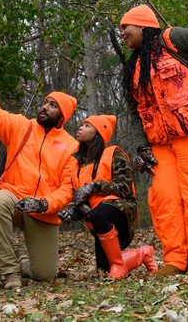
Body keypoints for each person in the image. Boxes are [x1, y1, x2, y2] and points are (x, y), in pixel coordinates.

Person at [119, 4, 188, 276]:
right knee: (164, 197)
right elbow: (136, 111)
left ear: (144, 25)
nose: (122, 33)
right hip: (162, 141)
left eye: (126, 27)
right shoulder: (134, 65)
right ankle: (176, 260)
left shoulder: (173, 38)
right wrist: (141, 146)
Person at [0, 75, 79, 289]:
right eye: (45, 102)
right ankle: (10, 272)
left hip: (42, 210)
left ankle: (22, 260)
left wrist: (42, 204)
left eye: (52, 106)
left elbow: (67, 189)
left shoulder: (71, 146)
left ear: (63, 115)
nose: (44, 107)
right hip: (14, 198)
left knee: (44, 273)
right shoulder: (22, 127)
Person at [57, 114, 157, 278]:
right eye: (82, 125)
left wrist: (94, 186)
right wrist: (71, 212)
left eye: (87, 126)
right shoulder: (77, 165)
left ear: (98, 133)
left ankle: (119, 266)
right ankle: (143, 253)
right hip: (99, 226)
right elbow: (80, 200)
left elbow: (125, 189)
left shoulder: (113, 154)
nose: (81, 128)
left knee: (99, 214)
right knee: (103, 270)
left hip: (121, 217)